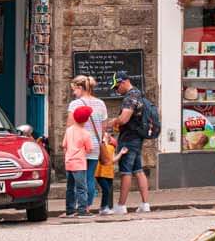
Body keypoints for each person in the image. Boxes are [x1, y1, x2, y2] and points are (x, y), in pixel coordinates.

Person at [107, 75, 154, 215]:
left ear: (125, 81)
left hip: (129, 138)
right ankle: (145, 205)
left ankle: (121, 206)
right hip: (137, 137)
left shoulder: (130, 97)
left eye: (117, 86)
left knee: (125, 172)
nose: (116, 90)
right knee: (138, 170)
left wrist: (112, 122)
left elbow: (124, 119)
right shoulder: (139, 94)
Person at [62, 101, 97, 217]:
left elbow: (64, 145)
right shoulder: (85, 133)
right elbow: (90, 149)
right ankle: (82, 210)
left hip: (68, 162)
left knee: (70, 188)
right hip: (79, 163)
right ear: (86, 120)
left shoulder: (68, 130)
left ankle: (70, 210)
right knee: (82, 188)